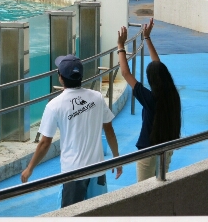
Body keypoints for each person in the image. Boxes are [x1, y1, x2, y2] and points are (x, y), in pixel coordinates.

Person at [21, 54, 122, 208]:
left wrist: (30, 168)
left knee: (71, 215)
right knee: (99, 214)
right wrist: (116, 157)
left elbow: (44, 143)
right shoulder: (97, 97)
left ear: (60, 77)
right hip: (98, 169)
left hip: (73, 173)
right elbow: (109, 130)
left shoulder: (54, 105)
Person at [117, 18, 181, 182]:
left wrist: (120, 47)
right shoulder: (172, 96)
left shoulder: (150, 99)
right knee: (161, 184)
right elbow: (158, 66)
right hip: (166, 148)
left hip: (148, 150)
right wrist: (147, 38)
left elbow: (125, 73)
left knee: (144, 190)